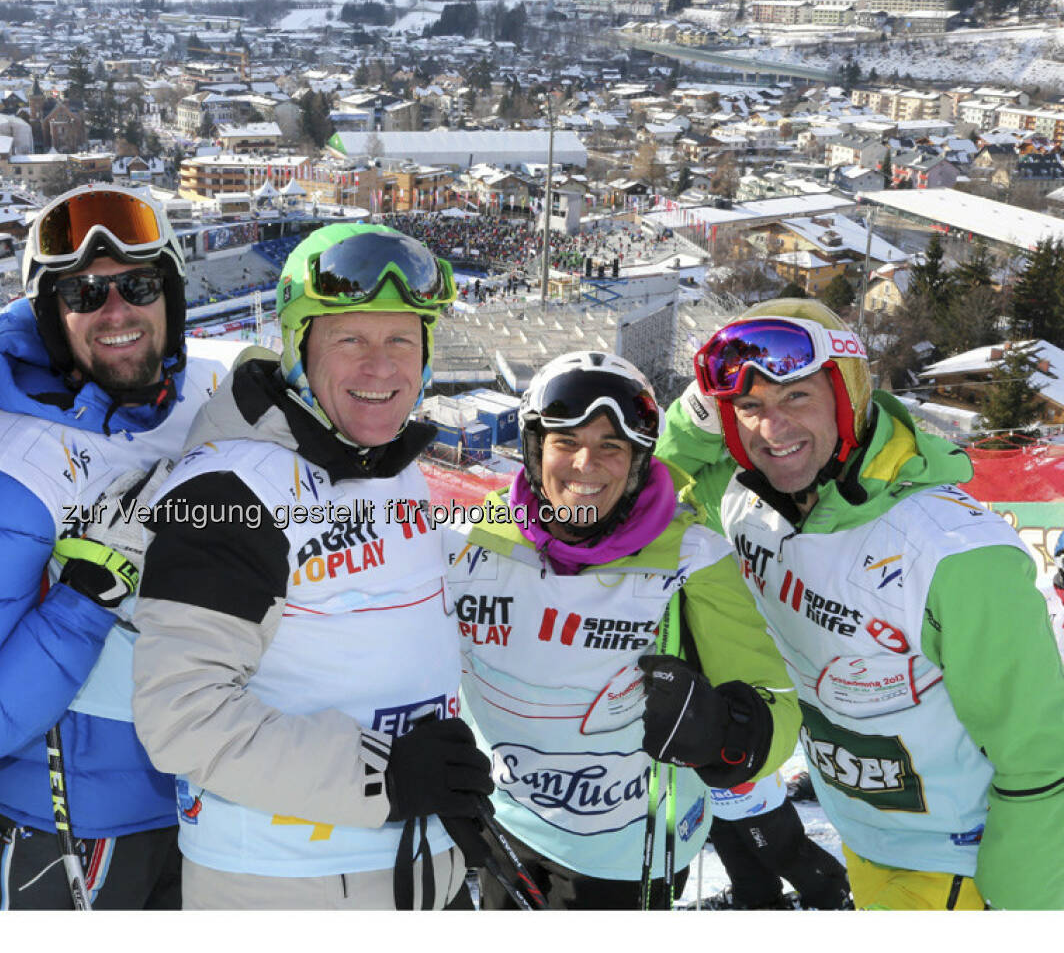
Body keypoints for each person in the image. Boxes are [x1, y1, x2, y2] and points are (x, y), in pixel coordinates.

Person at [658, 296, 1064, 910]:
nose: (774, 428)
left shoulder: (953, 551)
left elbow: (1039, 754)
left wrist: (1025, 907)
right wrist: (693, 410)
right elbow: (647, 487)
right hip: (863, 838)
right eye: (749, 406)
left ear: (847, 398)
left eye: (797, 396)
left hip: (962, 864)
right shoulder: (744, 502)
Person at [130, 224, 493, 909]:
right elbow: (180, 715)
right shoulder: (230, 494)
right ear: (299, 347)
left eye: (400, 341)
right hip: (282, 882)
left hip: (414, 865)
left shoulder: (388, 467)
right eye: (350, 339)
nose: (380, 368)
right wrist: (383, 777)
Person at [0, 184, 247, 909]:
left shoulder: (214, 398)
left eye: (139, 285)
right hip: (77, 834)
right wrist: (90, 590)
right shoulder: (4, 474)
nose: (117, 311)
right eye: (85, 293)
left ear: (173, 298)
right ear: (49, 315)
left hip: (217, 807)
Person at [443, 351, 801, 910]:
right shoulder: (477, 540)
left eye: (611, 446)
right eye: (566, 442)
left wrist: (727, 734)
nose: (587, 464)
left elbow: (775, 703)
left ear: (637, 462)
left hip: (626, 856)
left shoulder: (692, 559)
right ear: (537, 451)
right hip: (507, 829)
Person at [707, 771, 851, 910]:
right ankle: (756, 896)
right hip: (712, 794)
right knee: (733, 848)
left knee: (783, 852)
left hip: (754, 793)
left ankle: (831, 893)